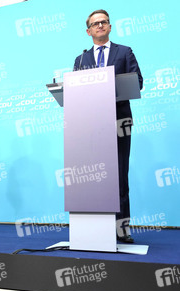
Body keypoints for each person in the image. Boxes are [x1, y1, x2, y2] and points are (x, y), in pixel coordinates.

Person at [73, 9, 143, 243]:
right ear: (88, 31)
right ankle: (95, 227)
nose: (100, 26)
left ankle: (121, 229)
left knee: (119, 175)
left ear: (110, 27)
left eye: (104, 22)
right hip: (91, 124)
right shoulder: (81, 60)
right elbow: (74, 91)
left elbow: (137, 81)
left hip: (119, 121)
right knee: (94, 177)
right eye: (95, 24)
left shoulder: (124, 52)